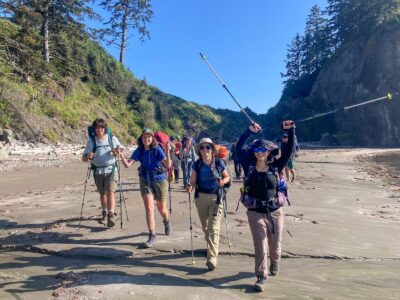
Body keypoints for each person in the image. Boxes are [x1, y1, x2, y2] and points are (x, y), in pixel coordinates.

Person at [237, 120, 295, 292]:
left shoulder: (276, 166)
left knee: (275, 246)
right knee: (260, 245)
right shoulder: (248, 167)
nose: (260, 152)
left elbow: (289, 150)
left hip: (276, 211)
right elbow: (239, 147)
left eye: (263, 149)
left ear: (269, 151)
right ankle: (261, 276)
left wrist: (290, 130)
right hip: (255, 212)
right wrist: (249, 131)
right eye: (257, 149)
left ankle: (275, 262)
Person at [119, 128, 171, 248]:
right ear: (141, 139)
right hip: (145, 180)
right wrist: (121, 155)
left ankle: (166, 221)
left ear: (152, 138)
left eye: (149, 137)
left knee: (161, 208)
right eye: (144, 137)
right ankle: (152, 235)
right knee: (149, 208)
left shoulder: (157, 149)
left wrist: (167, 151)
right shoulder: (139, 150)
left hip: (159, 180)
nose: (146, 139)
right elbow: (127, 165)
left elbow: (167, 165)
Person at [186, 138, 230, 271]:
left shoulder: (218, 162)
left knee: (213, 228)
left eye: (208, 147)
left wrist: (223, 181)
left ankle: (212, 257)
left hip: (216, 197)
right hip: (201, 198)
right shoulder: (197, 164)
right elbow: (192, 181)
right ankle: (212, 246)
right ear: (199, 150)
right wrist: (190, 187)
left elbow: (227, 177)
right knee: (206, 227)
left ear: (212, 149)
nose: (205, 149)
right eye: (202, 147)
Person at [82, 118, 124, 227]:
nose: (99, 129)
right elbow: (84, 158)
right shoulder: (92, 141)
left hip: (111, 169)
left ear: (105, 128)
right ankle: (104, 213)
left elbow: (121, 149)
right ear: (94, 129)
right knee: (102, 193)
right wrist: (88, 156)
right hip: (98, 171)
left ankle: (110, 214)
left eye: (101, 127)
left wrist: (117, 151)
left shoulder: (111, 138)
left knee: (110, 191)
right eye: (97, 128)